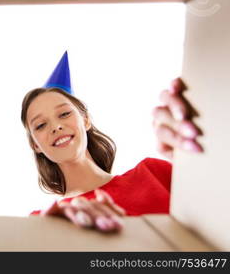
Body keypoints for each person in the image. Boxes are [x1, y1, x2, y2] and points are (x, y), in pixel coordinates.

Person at [20, 52, 203, 233]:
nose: (56, 126)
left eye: (64, 114)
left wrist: (204, 151)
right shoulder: (46, 221)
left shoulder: (153, 173)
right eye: (41, 125)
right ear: (35, 145)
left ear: (85, 121)